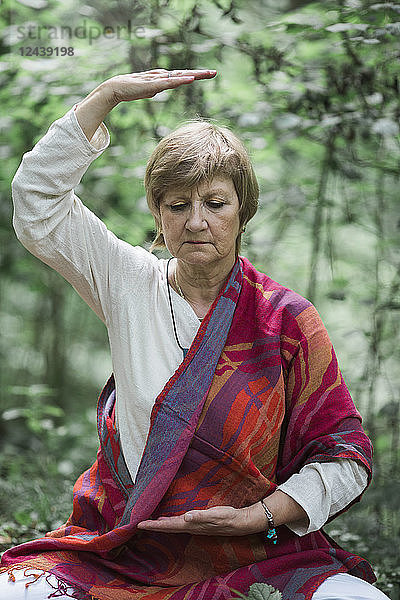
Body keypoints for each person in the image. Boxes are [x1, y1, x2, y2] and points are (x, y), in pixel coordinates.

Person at [0, 69, 389, 600]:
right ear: (158, 214)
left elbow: (346, 454)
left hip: (259, 548)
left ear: (242, 209)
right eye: (177, 206)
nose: (196, 221)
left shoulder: (285, 318)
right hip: (130, 550)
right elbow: (37, 201)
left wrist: (259, 516)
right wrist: (106, 96)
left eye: (214, 202)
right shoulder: (128, 282)